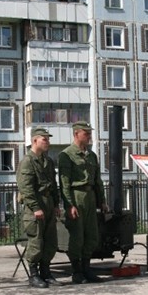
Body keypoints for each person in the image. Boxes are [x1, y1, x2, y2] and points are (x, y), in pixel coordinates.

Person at [58, 121, 108, 284]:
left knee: (91, 236)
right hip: (76, 196)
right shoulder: (66, 155)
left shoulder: (91, 155)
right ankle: (77, 271)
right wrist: (69, 205)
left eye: (90, 133)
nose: (89, 137)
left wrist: (102, 201)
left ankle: (87, 268)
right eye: (86, 134)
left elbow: (98, 180)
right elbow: (64, 183)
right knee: (77, 237)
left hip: (90, 196)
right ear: (76, 134)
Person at [16, 127, 61, 288]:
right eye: (45, 139)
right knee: (36, 241)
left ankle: (46, 273)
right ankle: (33, 275)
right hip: (35, 206)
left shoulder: (48, 161)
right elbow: (26, 187)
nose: (48, 142)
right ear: (35, 140)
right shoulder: (28, 161)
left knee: (50, 241)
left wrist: (56, 204)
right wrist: (35, 207)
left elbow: (54, 185)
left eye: (48, 139)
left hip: (48, 205)